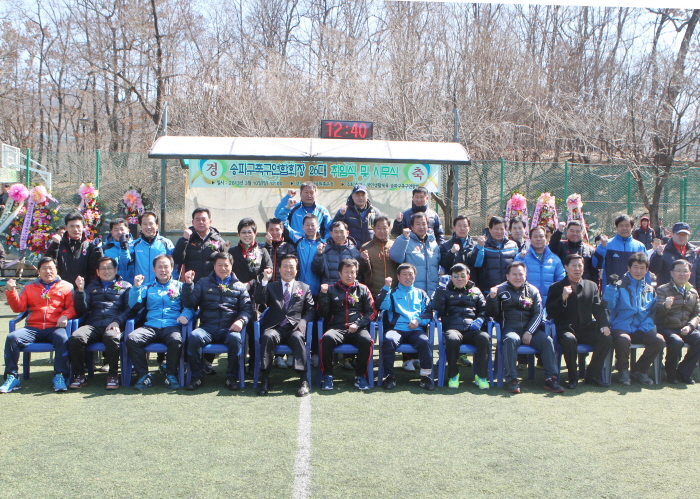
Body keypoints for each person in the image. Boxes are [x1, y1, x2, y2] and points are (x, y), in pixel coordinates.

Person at [485, 261, 563, 394]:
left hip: (530, 330)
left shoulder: (533, 290)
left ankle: (551, 379)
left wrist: (529, 331)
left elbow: (539, 314)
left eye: (520, 274)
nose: (518, 277)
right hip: (510, 329)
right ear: (507, 276)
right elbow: (491, 314)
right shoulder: (499, 290)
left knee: (547, 341)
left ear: (525, 275)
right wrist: (491, 298)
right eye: (514, 274)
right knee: (511, 340)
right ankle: (512, 379)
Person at [1, 257, 76, 393]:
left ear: (56, 270)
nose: (48, 271)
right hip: (33, 328)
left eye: (51, 268)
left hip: (55, 327)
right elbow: (19, 308)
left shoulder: (67, 286)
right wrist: (12, 291)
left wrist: (66, 315)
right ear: (38, 272)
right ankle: (12, 377)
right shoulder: (29, 287)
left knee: (63, 339)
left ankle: (60, 376)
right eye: (44, 268)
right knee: (12, 338)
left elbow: (72, 307)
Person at [182, 252, 252, 391]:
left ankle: (231, 377)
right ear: (214, 266)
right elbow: (190, 303)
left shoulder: (239, 286)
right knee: (194, 337)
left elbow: (247, 309)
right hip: (208, 327)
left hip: (229, 328)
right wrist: (188, 284)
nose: (223, 268)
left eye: (226, 265)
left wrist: (241, 321)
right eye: (219, 265)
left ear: (231, 266)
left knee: (235, 339)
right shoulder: (202, 283)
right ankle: (197, 377)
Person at [126, 254, 194, 390]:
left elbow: (190, 306)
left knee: (176, 340)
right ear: (154, 269)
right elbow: (133, 305)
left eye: (166, 267)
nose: (163, 270)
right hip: (151, 325)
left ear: (172, 268)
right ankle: (144, 375)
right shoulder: (147, 287)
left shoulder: (180, 286)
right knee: (132, 338)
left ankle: (170, 374)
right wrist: (136, 288)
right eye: (159, 267)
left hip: (172, 325)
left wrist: (185, 315)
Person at [546, 254, 612, 388]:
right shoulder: (556, 287)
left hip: (586, 328)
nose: (577, 269)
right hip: (566, 329)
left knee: (607, 338)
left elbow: (598, 309)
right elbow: (550, 312)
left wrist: (604, 325)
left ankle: (592, 375)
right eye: (574, 265)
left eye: (580, 265)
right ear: (566, 267)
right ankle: (572, 378)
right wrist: (562, 298)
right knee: (569, 340)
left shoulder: (591, 286)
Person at [254, 254, 315, 396]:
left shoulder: (304, 287)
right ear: (279, 269)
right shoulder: (271, 287)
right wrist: (264, 281)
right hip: (275, 328)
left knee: (298, 338)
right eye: (285, 266)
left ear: (296, 270)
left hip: (295, 328)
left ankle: (303, 380)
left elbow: (311, 310)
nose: (288, 269)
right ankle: (265, 379)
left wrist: (303, 321)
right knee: (267, 337)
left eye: (291, 267)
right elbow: (259, 299)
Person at [69, 256, 133, 390]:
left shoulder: (126, 286)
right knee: (76, 337)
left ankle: (113, 375)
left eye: (109, 268)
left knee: (111, 337)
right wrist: (80, 291)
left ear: (115, 270)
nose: (106, 271)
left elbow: (129, 310)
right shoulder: (91, 286)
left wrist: (117, 321)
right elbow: (82, 309)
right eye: (103, 269)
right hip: (93, 324)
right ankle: (80, 375)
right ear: (97, 272)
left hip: (113, 325)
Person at [603, 252, 665, 386]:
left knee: (659, 340)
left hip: (641, 328)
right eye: (635, 267)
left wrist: (643, 329)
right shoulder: (618, 285)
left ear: (647, 270)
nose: (638, 271)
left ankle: (639, 370)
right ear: (629, 267)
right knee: (624, 340)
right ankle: (623, 370)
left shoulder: (650, 290)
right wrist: (611, 287)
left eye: (642, 268)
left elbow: (652, 314)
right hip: (621, 326)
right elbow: (609, 306)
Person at [317, 258, 375, 391]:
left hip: (357, 328)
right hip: (336, 328)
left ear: (356, 274)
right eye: (346, 272)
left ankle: (360, 376)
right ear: (339, 273)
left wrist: (358, 324)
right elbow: (321, 312)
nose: (349, 275)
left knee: (367, 340)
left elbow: (372, 312)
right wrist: (323, 295)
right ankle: (328, 376)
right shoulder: (331, 289)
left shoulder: (363, 289)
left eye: (352, 272)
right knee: (327, 338)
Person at [376, 263, 434, 390]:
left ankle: (426, 377)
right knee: (389, 340)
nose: (408, 277)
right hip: (396, 329)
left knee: (425, 342)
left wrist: (418, 321)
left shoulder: (421, 293)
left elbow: (428, 313)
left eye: (410, 274)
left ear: (415, 276)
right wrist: (386, 287)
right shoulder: (391, 293)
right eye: (404, 274)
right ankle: (389, 377)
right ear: (398, 276)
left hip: (416, 330)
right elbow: (381, 306)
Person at [431, 263, 489, 389]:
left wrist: (479, 319)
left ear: (468, 277)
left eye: (463, 275)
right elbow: (436, 307)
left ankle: (481, 375)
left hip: (472, 330)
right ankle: (453, 374)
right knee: (451, 339)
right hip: (453, 328)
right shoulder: (444, 290)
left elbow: (485, 310)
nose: (459, 279)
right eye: (456, 276)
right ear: (451, 277)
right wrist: (440, 288)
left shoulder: (476, 291)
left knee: (484, 337)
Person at [228, 217, 272, 374]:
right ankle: (236, 364)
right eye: (243, 232)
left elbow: (268, 272)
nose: (247, 235)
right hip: (235, 297)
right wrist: (240, 286)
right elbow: (226, 272)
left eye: (250, 232)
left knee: (255, 329)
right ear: (238, 234)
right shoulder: (231, 252)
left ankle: (254, 363)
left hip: (257, 298)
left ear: (255, 233)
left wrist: (252, 283)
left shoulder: (262, 251)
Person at [654, 260, 700, 384]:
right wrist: (666, 306)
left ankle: (683, 372)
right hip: (666, 327)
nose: (682, 274)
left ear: (690, 274)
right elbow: (657, 313)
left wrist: (690, 326)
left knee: (699, 339)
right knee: (676, 341)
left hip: (686, 327)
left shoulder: (693, 292)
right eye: (678, 271)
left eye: (685, 271)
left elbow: (697, 314)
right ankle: (671, 374)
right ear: (672, 273)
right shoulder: (662, 290)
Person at [389, 212, 440, 297]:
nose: (421, 227)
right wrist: (403, 238)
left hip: (432, 292)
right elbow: (395, 257)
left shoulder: (433, 242)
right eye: (418, 224)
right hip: (412, 293)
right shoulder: (405, 240)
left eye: (424, 224)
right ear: (412, 226)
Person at [45, 211, 103, 286]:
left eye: (78, 226)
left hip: (84, 289)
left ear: (83, 227)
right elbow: (47, 263)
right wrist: (54, 246)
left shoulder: (90, 245)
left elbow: (95, 269)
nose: (75, 229)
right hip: (61, 289)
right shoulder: (58, 244)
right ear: (66, 228)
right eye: (72, 226)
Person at [514, 226, 565, 307]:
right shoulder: (522, 257)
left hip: (549, 304)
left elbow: (561, 280)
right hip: (527, 304)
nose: (538, 239)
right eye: (535, 236)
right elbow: (515, 279)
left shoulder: (555, 259)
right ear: (530, 239)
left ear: (546, 238)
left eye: (541, 236)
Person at [173, 207, 227, 283]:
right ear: (192, 222)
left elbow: (226, 263)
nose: (201, 222)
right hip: (191, 284)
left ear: (210, 221)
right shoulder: (186, 238)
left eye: (204, 219)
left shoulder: (218, 240)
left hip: (213, 285)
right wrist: (184, 240)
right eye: (198, 220)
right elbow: (177, 259)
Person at [593, 214, 648, 286]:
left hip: (634, 291)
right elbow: (595, 264)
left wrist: (647, 289)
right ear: (616, 227)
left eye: (627, 225)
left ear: (632, 227)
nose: (624, 228)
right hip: (612, 290)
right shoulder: (606, 245)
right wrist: (602, 248)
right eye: (621, 225)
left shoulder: (640, 246)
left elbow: (646, 270)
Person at [467, 216, 518, 292]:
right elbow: (477, 264)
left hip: (509, 290)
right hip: (488, 291)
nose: (499, 232)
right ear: (490, 229)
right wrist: (480, 248)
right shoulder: (483, 245)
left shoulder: (513, 245)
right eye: (496, 229)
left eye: (501, 229)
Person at [127, 211, 176, 284]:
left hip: (160, 289)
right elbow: (126, 265)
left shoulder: (166, 243)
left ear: (156, 225)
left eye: (151, 223)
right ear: (140, 226)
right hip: (140, 287)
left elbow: (173, 266)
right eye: (145, 224)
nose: (148, 227)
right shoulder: (133, 245)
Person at [312, 220, 361, 286]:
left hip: (348, 291)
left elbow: (359, 275)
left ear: (347, 233)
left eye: (341, 232)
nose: (339, 235)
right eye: (336, 232)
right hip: (329, 290)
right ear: (331, 234)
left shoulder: (354, 251)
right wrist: (319, 255)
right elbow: (317, 271)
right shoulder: (324, 249)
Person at [649, 222, 698, 288]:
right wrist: (658, 256)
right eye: (679, 234)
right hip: (667, 293)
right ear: (671, 234)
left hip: (689, 293)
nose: (682, 237)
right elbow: (653, 269)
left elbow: (698, 274)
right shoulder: (663, 250)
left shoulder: (694, 251)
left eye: (684, 234)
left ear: (689, 236)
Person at [360, 215, 398, 298]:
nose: (382, 231)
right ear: (374, 229)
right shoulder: (365, 247)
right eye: (379, 228)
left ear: (389, 228)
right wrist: (364, 261)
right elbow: (363, 272)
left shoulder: (395, 245)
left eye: (385, 228)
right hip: (374, 292)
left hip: (394, 291)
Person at [260, 217, 296, 284]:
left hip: (282, 286)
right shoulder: (260, 247)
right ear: (266, 230)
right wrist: (268, 246)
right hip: (264, 284)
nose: (274, 232)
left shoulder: (289, 247)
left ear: (282, 230)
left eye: (277, 229)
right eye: (271, 230)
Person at [101, 218, 134, 283]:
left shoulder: (136, 247)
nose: (119, 232)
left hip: (134, 286)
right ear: (112, 233)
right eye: (116, 230)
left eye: (122, 229)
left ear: (128, 230)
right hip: (114, 289)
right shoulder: (105, 249)